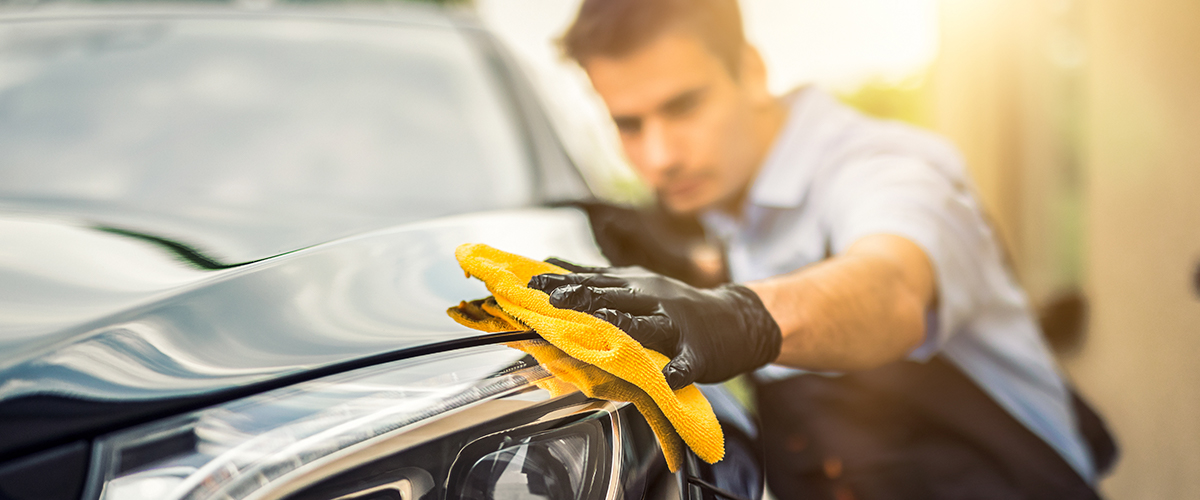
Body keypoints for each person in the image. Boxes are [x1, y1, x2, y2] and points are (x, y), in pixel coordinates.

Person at [527, 0, 1117, 498]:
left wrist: (741, 317)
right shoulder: (723, 204)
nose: (660, 156)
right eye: (629, 125)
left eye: (683, 106)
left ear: (750, 71)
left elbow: (892, 288)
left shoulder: (885, 166)